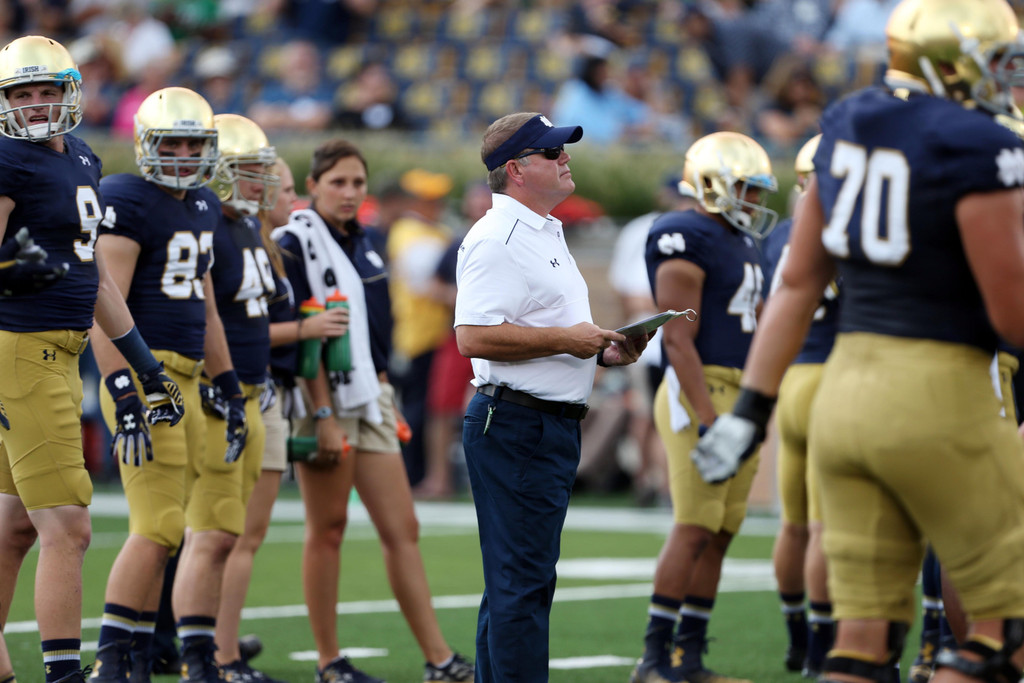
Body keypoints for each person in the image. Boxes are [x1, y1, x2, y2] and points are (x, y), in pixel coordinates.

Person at [693, 2, 1024, 683]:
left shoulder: (844, 127)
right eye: (995, 61)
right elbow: (1012, 307)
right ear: (946, 59)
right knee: (1003, 635)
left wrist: (749, 411)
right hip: (937, 395)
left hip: (843, 401)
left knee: (860, 647)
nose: (1004, 78)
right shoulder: (980, 144)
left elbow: (796, 286)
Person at [0, 36, 184, 683]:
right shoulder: (6, 160)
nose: (35, 103)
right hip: (22, 350)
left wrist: (145, 365)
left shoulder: (83, 158)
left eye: (45, 89)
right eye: (21, 93)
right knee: (69, 525)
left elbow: (100, 282)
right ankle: (63, 674)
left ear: (71, 90)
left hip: (59, 348)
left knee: (15, 522)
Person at [455, 111, 648, 682]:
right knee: (522, 585)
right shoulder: (500, 236)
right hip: (517, 422)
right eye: (551, 152)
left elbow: (538, 332)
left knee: (519, 583)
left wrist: (602, 351)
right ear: (514, 170)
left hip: (539, 423)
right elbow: (473, 335)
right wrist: (570, 339)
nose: (565, 158)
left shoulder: (537, 228)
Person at [272, 138, 474, 683]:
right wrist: (322, 415)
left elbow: (372, 331)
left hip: (370, 394)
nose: (348, 191)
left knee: (402, 526)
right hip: (324, 399)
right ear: (312, 186)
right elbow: (305, 335)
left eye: (357, 182)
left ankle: (438, 658)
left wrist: (384, 386)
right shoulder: (293, 242)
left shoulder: (370, 241)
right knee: (329, 526)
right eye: (337, 182)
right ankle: (328, 661)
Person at [86, 86, 249, 683]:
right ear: (144, 144)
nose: (182, 154)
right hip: (142, 374)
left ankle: (140, 656)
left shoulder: (204, 204)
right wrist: (124, 390)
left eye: (193, 143)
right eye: (170, 142)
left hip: (187, 380)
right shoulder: (126, 197)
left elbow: (206, 312)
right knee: (155, 527)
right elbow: (104, 305)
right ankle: (111, 660)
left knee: (175, 530)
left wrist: (229, 386)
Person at [629, 131, 777, 683]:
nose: (755, 202)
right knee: (693, 526)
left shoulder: (738, 239)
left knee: (721, 531)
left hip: (741, 392)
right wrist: (710, 420)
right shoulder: (682, 233)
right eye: (746, 188)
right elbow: (678, 338)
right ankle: (653, 659)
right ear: (714, 185)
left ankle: (688, 659)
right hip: (702, 389)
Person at [198, 113, 287, 683]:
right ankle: (209, 653)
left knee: (232, 534)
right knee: (210, 534)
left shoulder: (249, 226)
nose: (264, 181)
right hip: (219, 394)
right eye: (252, 170)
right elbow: (203, 317)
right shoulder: (208, 226)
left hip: (257, 389)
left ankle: (216, 650)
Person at [759, 134, 837, 679]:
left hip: (792, 377)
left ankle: (795, 634)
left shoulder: (779, 235)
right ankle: (826, 647)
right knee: (828, 525)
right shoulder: (848, 222)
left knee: (794, 523)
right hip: (840, 374)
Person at [387, 168, 455, 488]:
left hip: (437, 335)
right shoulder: (409, 232)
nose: (436, 204)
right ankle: (410, 476)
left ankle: (420, 475)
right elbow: (427, 282)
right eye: (430, 199)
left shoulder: (435, 231)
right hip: (417, 335)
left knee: (429, 409)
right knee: (416, 410)